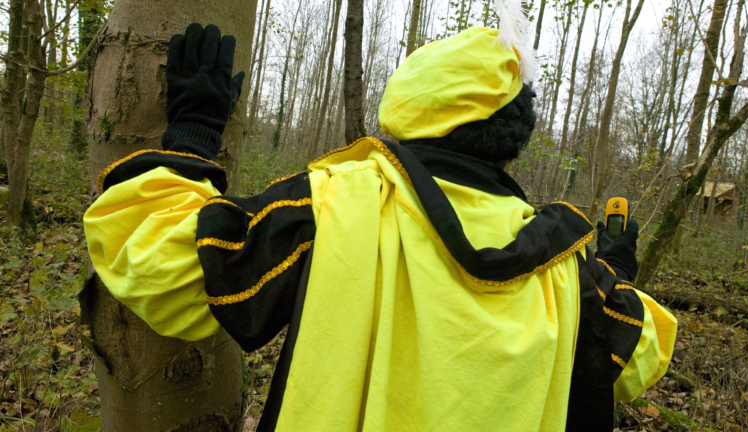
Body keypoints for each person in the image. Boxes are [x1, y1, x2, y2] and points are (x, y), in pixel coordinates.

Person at [84, 14, 676, 432]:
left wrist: (191, 135)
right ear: (513, 141)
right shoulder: (568, 266)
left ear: (409, 112)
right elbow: (640, 356)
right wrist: (615, 267)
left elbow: (158, 264)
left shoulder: (336, 206)